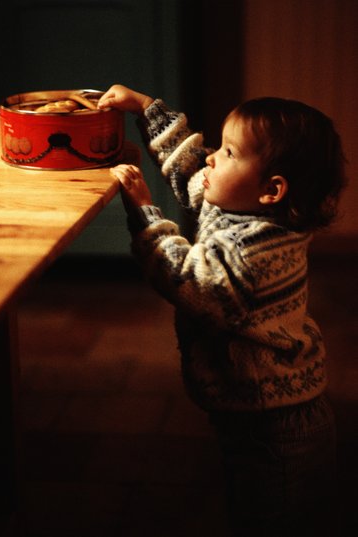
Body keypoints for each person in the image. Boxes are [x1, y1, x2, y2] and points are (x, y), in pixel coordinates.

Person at [98, 85, 346, 537]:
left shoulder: (259, 253)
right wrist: (146, 108)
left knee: (275, 519)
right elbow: (191, 168)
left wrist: (144, 211)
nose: (212, 157)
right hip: (251, 416)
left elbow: (188, 280)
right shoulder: (239, 208)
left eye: (229, 152)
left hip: (277, 428)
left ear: (272, 190)